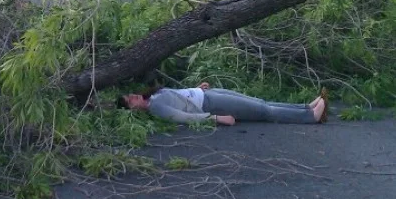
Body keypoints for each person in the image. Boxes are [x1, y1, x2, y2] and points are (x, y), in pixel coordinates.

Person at [119, 82, 328, 126]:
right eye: (130, 102)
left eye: (130, 95)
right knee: (262, 111)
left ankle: (305, 108)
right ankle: (311, 117)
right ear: (132, 111)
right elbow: (184, 117)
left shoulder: (153, 97)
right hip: (210, 105)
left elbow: (181, 96)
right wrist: (217, 119)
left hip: (207, 94)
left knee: (260, 102)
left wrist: (197, 87)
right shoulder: (155, 108)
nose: (133, 97)